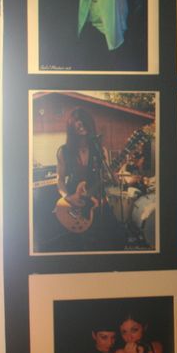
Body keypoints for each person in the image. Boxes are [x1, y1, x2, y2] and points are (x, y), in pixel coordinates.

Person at [52, 108, 122, 251]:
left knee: (115, 239)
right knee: (79, 247)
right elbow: (60, 180)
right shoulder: (63, 151)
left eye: (83, 121)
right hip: (74, 205)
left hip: (97, 202)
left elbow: (107, 176)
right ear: (71, 126)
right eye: (77, 121)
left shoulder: (99, 149)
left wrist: (112, 176)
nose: (81, 124)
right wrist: (68, 197)